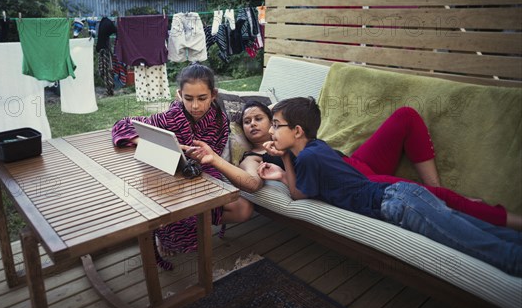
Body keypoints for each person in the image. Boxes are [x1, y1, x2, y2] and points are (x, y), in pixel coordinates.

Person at [257, 97, 522, 277]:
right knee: (483, 233)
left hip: (398, 205)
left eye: (277, 126)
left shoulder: (307, 158)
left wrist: (283, 164)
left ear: (298, 131)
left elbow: (297, 194)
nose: (272, 131)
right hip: (401, 196)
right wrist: (284, 157)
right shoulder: (318, 148)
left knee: (482, 247)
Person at [207, 101, 521, 231]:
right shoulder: (256, 157)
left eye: (260, 118)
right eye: (246, 122)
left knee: (405, 116)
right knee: (444, 201)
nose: (252, 124)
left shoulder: (297, 139)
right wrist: (225, 160)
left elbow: (314, 151)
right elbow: (251, 183)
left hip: (352, 162)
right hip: (356, 181)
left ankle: (437, 191)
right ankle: (507, 218)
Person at [111, 62, 252, 270]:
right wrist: (146, 142)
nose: (195, 106)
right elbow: (121, 125)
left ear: (213, 95)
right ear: (179, 95)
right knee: (176, 206)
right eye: (189, 98)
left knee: (243, 210)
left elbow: (215, 151)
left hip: (204, 173)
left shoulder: (220, 120)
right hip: (169, 176)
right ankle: (166, 233)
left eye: (202, 98)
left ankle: (197, 222)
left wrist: (204, 156)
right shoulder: (171, 117)